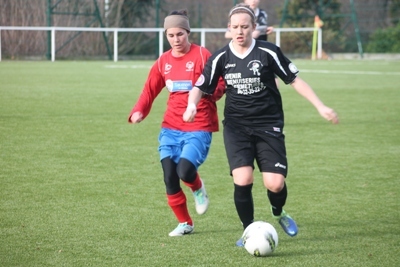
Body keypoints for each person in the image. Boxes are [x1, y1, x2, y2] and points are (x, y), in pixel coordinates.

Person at [183, 3, 339, 246]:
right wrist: (192, 105)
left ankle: (279, 212)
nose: (240, 31)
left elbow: (295, 80)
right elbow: (200, 86)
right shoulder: (221, 57)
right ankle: (249, 231)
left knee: (275, 184)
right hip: (237, 127)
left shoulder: (269, 52)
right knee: (243, 179)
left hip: (268, 124)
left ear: (254, 28)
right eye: (235, 27)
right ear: (229, 28)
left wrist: (320, 106)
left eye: (245, 26)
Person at [128, 9, 225, 237]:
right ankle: (185, 223)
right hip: (170, 126)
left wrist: (209, 94)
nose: (175, 40)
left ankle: (198, 187)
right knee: (169, 176)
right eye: (171, 35)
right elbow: (149, 90)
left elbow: (220, 82)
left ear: (187, 32)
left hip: (199, 123)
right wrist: (139, 111)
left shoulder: (202, 55)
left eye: (179, 34)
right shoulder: (163, 61)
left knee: (185, 170)